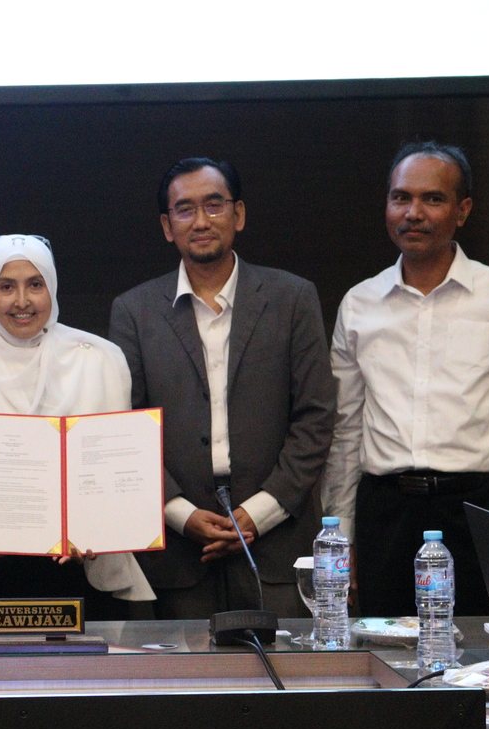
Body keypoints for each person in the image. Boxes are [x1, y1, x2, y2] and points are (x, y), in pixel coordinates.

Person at [323, 141, 489, 616]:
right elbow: (345, 433)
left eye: (433, 199)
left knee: (476, 663)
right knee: (386, 657)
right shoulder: (360, 303)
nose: (413, 213)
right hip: (384, 511)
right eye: (400, 198)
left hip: (476, 508)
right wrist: (339, 537)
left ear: (462, 210)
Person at [108, 158, 337, 619]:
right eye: (185, 209)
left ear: (239, 214)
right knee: (185, 688)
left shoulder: (292, 299)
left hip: (277, 547)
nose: (201, 220)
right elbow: (126, 433)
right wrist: (182, 515)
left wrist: (257, 514)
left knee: (286, 684)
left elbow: (316, 418)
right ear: (167, 226)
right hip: (176, 554)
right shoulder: (133, 311)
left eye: (214, 205)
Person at [0, 235, 156, 617]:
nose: (22, 301)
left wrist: (101, 529)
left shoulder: (100, 361)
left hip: (83, 572)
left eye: (35, 284)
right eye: (6, 286)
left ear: (53, 287)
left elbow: (119, 474)